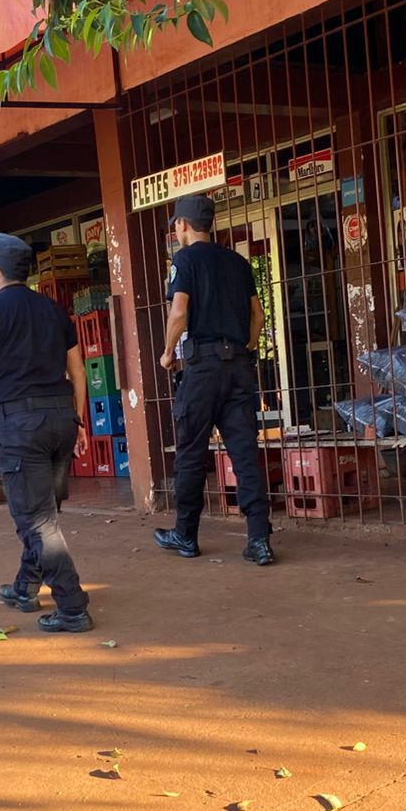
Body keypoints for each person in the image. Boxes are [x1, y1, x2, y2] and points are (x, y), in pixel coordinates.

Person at [0, 232, 93, 633]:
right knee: (42, 512)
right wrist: (77, 421)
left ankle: (72, 606)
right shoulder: (53, 310)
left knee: (35, 519)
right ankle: (25, 587)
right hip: (60, 419)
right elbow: (77, 371)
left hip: (23, 426)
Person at [154, 192, 274, 566]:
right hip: (238, 366)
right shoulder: (237, 263)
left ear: (183, 225)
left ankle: (186, 535)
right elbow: (258, 315)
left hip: (202, 369)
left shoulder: (184, 260)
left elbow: (178, 313)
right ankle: (259, 539)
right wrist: (248, 346)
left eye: (176, 223)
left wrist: (168, 352)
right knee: (244, 453)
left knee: (191, 452)